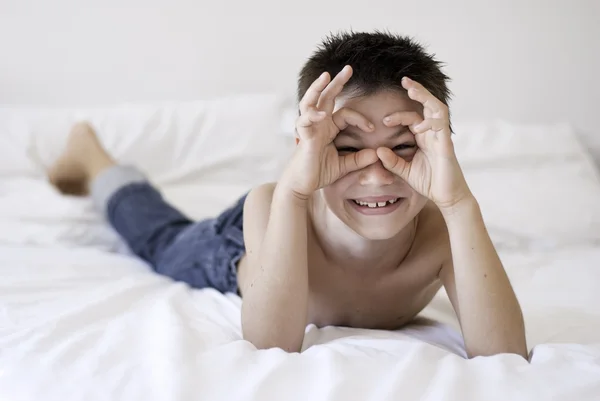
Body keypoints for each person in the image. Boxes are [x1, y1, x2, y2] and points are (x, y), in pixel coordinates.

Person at [48, 31, 527, 358]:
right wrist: (294, 193)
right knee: (161, 241)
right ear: (310, 151)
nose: (378, 177)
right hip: (243, 245)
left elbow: (504, 356)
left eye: (403, 148)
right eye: (348, 149)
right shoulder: (274, 201)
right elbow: (271, 345)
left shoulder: (445, 230)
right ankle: (95, 159)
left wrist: (460, 204)